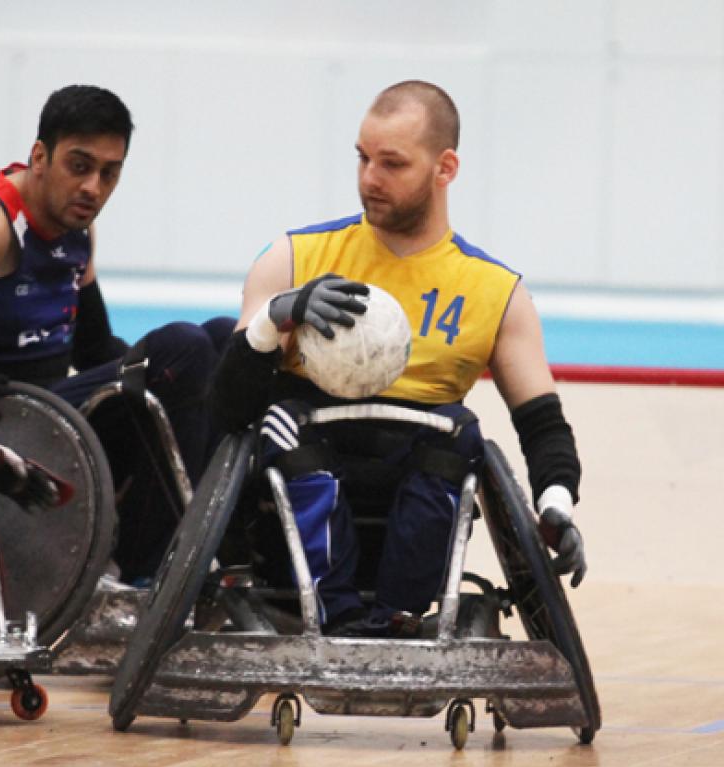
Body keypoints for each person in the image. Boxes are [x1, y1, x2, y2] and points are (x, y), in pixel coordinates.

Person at [210, 80, 586, 637]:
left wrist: (557, 502)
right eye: (362, 158)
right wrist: (277, 316)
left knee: (465, 431)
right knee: (281, 419)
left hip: (421, 478)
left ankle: (398, 616)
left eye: (392, 164)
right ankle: (336, 615)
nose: (369, 179)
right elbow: (223, 410)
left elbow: (542, 422)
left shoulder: (496, 292)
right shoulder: (294, 258)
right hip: (297, 482)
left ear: (445, 167)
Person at [0, 84, 234, 585]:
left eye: (109, 173)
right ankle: (154, 573)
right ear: (39, 156)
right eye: (79, 166)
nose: (94, 188)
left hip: (59, 415)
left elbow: (98, 349)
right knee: (183, 346)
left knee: (222, 339)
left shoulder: (78, 227)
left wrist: (176, 380)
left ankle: (198, 547)